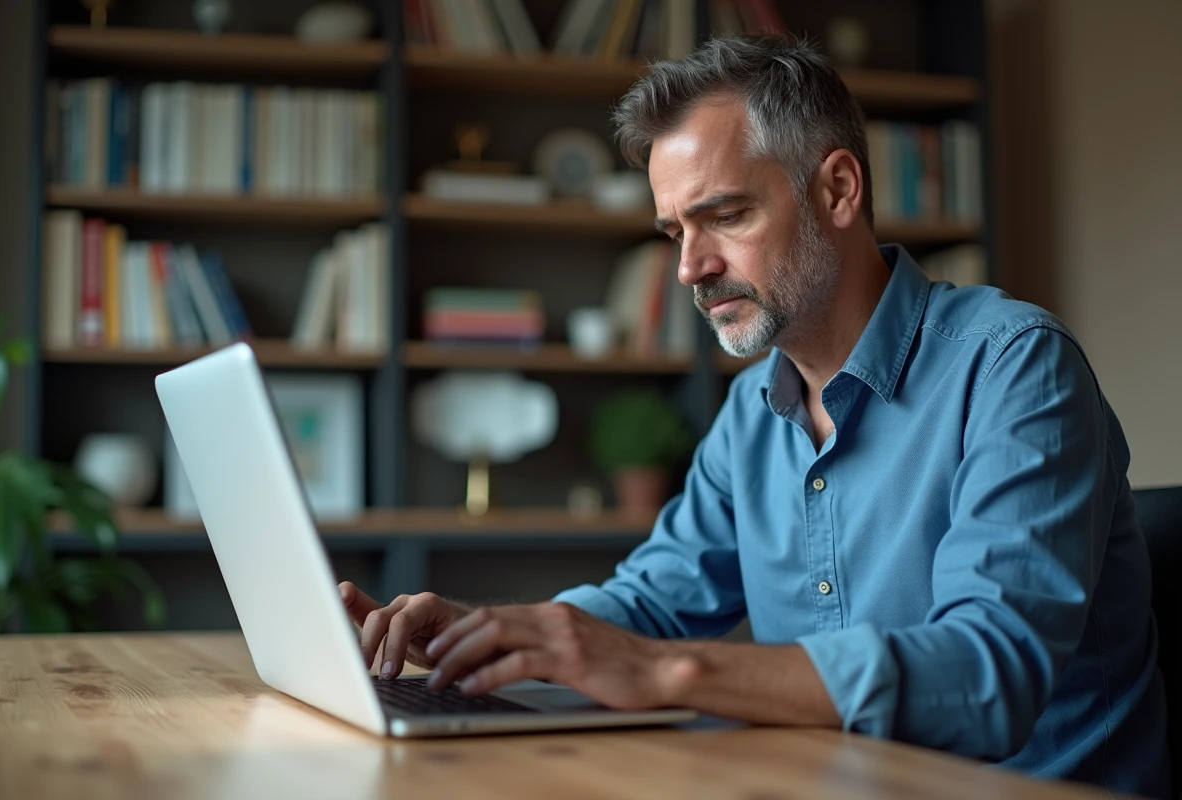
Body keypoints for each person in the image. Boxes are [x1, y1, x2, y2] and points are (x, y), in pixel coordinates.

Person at [338, 37, 1169, 796]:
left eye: (726, 216)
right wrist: (491, 639)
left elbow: (990, 674)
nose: (692, 268)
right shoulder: (750, 411)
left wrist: (670, 675)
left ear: (838, 189)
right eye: (674, 231)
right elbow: (653, 606)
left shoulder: (1015, 365)